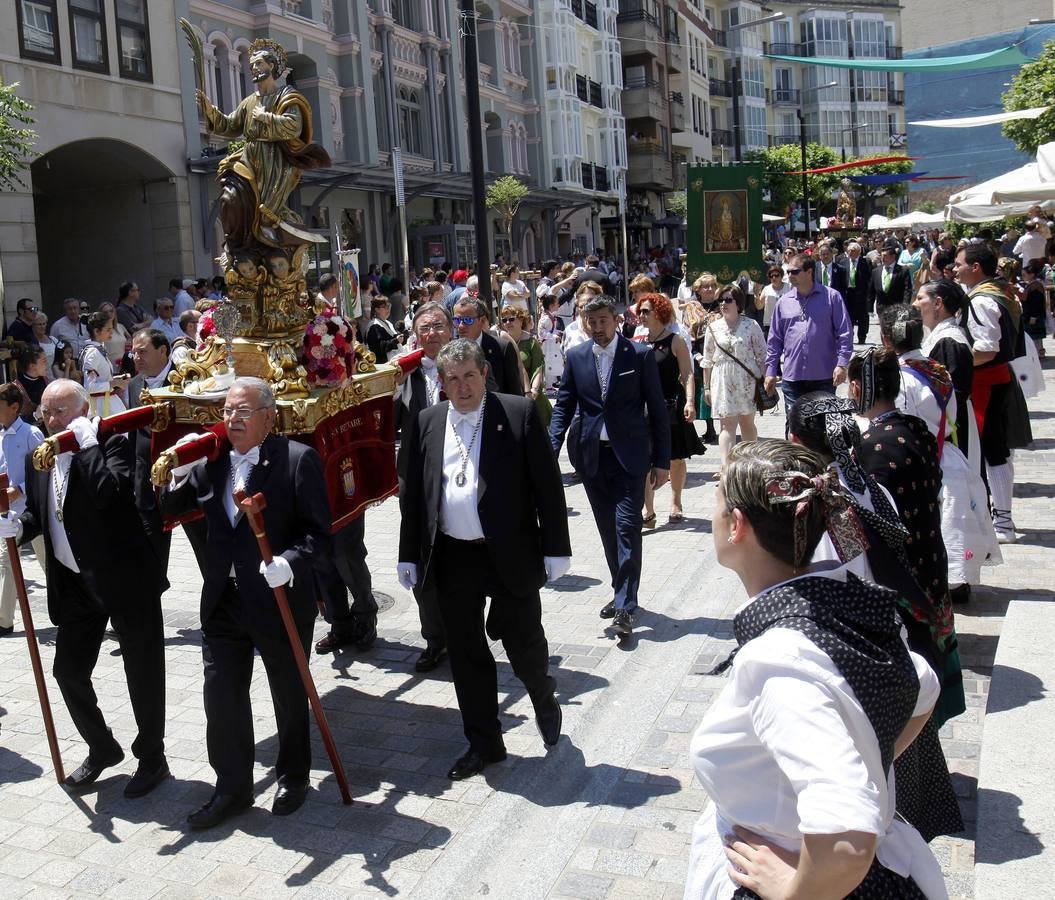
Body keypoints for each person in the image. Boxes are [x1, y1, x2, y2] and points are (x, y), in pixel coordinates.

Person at [684, 440, 947, 900]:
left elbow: (845, 840)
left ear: (736, 527)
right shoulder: (850, 605)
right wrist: (872, 756)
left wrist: (792, 888)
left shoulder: (780, 662)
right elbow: (924, 686)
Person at [159, 377, 332, 828]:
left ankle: (294, 774)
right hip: (223, 599)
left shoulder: (296, 460)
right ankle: (231, 788)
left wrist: (291, 562)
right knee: (221, 694)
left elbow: (319, 536)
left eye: (243, 412)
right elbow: (166, 508)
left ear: (269, 418)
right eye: (227, 412)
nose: (232, 420)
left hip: (277, 596)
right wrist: (177, 471)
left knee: (288, 689)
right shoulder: (213, 463)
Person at [397, 339, 570, 780]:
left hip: (509, 551)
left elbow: (547, 487)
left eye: (469, 376)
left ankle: (543, 695)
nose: (462, 386)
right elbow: (415, 496)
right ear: (441, 382)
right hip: (453, 554)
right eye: (451, 379)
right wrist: (409, 554)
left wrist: (555, 547)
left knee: (523, 641)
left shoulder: (517, 413)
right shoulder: (428, 421)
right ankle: (484, 743)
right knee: (467, 653)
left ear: (484, 374)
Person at [0, 380, 168, 797]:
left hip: (123, 577)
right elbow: (46, 513)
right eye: (45, 411)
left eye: (60, 412)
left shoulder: (111, 443)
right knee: (68, 672)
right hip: (73, 581)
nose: (51, 420)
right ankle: (102, 747)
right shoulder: (46, 454)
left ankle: (152, 758)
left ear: (82, 410)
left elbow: (111, 494)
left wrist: (87, 447)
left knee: (142, 673)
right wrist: (18, 528)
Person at [848, 349, 965, 842]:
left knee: (905, 694)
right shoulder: (915, 429)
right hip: (929, 569)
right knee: (920, 687)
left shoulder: (873, 445)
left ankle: (913, 804)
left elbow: (867, 529)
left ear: (860, 389)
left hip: (901, 585)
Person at [550, 295, 670, 637]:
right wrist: (550, 449)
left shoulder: (640, 355)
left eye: (604, 320)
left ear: (616, 319)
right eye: (592, 321)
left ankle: (625, 607)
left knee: (627, 527)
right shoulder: (575, 356)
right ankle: (622, 591)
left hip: (630, 457)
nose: (598, 327)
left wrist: (661, 460)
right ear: (584, 322)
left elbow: (657, 409)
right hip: (591, 457)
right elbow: (564, 407)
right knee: (606, 529)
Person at [882, 306, 1001, 605]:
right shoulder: (938, 370)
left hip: (913, 459)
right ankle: (952, 582)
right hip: (945, 455)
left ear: (886, 339)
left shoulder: (898, 378)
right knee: (947, 524)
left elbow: (900, 421)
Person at [394, 302, 453, 671]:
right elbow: (388, 418)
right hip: (415, 472)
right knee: (420, 555)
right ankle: (435, 638)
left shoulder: (468, 364)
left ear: (450, 329)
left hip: (460, 468)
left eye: (437, 326)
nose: (431, 333)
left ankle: (464, 632)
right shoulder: (404, 371)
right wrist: (392, 385)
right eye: (424, 328)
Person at [954, 243, 1022, 542]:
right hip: (994, 379)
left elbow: (987, 347)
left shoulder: (981, 300)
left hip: (985, 381)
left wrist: (952, 361)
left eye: (959, 264)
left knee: (991, 450)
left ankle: (1003, 520)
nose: (955, 268)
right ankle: (999, 516)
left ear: (975, 267)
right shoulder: (999, 290)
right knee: (994, 448)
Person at [635, 293, 703, 525]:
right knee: (644, 460)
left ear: (659, 312)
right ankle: (649, 511)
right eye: (640, 311)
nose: (641, 315)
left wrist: (691, 401)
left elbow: (687, 374)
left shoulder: (675, 341)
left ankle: (676, 502)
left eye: (646, 311)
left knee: (675, 458)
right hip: (645, 409)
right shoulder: (639, 342)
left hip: (671, 406)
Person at [764, 252, 854, 423]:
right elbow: (775, 340)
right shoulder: (784, 302)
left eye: (795, 271)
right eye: (788, 272)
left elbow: (845, 333)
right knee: (794, 429)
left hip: (824, 376)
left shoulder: (831, 297)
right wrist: (770, 371)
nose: (790, 276)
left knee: (823, 429)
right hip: (793, 377)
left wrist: (842, 364)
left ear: (809, 272)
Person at [702, 284, 767, 471]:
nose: (723, 304)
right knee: (726, 425)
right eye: (720, 300)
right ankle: (727, 468)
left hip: (746, 379)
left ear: (738, 303)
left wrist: (762, 379)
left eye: (728, 300)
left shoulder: (750, 325)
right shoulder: (713, 327)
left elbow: (762, 354)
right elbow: (707, 360)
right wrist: (706, 387)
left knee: (747, 422)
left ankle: (750, 465)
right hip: (722, 379)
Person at [0, 383, 46, 637]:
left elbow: (44, 469)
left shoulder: (31, 433)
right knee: (7, 562)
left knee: (49, 563)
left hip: (32, 512)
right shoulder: (0, 435)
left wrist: (20, 488)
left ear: (14, 407)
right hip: (8, 514)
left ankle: (74, 607)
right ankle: (4, 620)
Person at [452, 296, 523, 395]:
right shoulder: (450, 351)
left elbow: (514, 390)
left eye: (467, 320)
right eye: (457, 320)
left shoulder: (502, 348)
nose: (460, 326)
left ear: (482, 320)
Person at [80, 312, 130, 417]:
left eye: (111, 329)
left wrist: (116, 379)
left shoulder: (99, 350)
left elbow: (101, 378)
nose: (111, 332)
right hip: (100, 408)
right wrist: (114, 383)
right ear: (97, 331)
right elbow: (89, 387)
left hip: (106, 402)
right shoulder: (92, 353)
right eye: (108, 330)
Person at [500, 306, 545, 399]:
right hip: (509, 394)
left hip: (532, 394)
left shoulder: (531, 342)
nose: (508, 323)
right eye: (504, 320)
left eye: (511, 319)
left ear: (521, 320)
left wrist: (534, 390)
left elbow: (538, 368)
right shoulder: (501, 342)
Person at [843, 241, 874, 343]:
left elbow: (870, 279)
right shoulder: (842, 261)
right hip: (848, 294)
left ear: (858, 252)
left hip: (861, 294)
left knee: (863, 318)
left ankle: (862, 338)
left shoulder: (866, 262)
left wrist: (869, 294)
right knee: (848, 317)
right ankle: (849, 337)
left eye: (853, 251)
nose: (850, 253)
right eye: (849, 251)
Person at [870, 243, 912, 313]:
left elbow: (907, 290)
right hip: (881, 308)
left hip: (898, 308)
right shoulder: (876, 271)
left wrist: (905, 306)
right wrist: (870, 308)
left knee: (898, 324)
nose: (882, 258)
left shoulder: (903, 271)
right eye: (881, 256)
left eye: (885, 256)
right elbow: (871, 291)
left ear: (893, 256)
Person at [537, 293, 565, 392]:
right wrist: (553, 336)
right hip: (547, 345)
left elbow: (551, 330)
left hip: (552, 344)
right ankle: (547, 386)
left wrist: (558, 333)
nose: (558, 305)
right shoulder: (545, 318)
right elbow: (541, 333)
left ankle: (550, 384)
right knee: (547, 362)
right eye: (557, 303)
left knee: (553, 362)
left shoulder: (551, 316)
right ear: (551, 305)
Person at [365, 296, 403, 364]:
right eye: (385, 307)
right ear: (377, 309)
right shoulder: (374, 325)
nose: (388, 309)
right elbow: (379, 348)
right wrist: (395, 341)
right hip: (384, 365)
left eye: (389, 306)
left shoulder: (387, 322)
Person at [16, 346, 48, 424]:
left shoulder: (46, 381)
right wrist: (36, 415)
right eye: (44, 361)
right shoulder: (17, 389)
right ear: (32, 366)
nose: (47, 364)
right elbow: (14, 422)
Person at [759, 265, 785, 340]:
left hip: (785, 322)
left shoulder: (789, 287)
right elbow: (759, 306)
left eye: (776, 275)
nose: (774, 278)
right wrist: (756, 295)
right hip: (770, 324)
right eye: (771, 276)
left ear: (781, 276)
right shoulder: (766, 289)